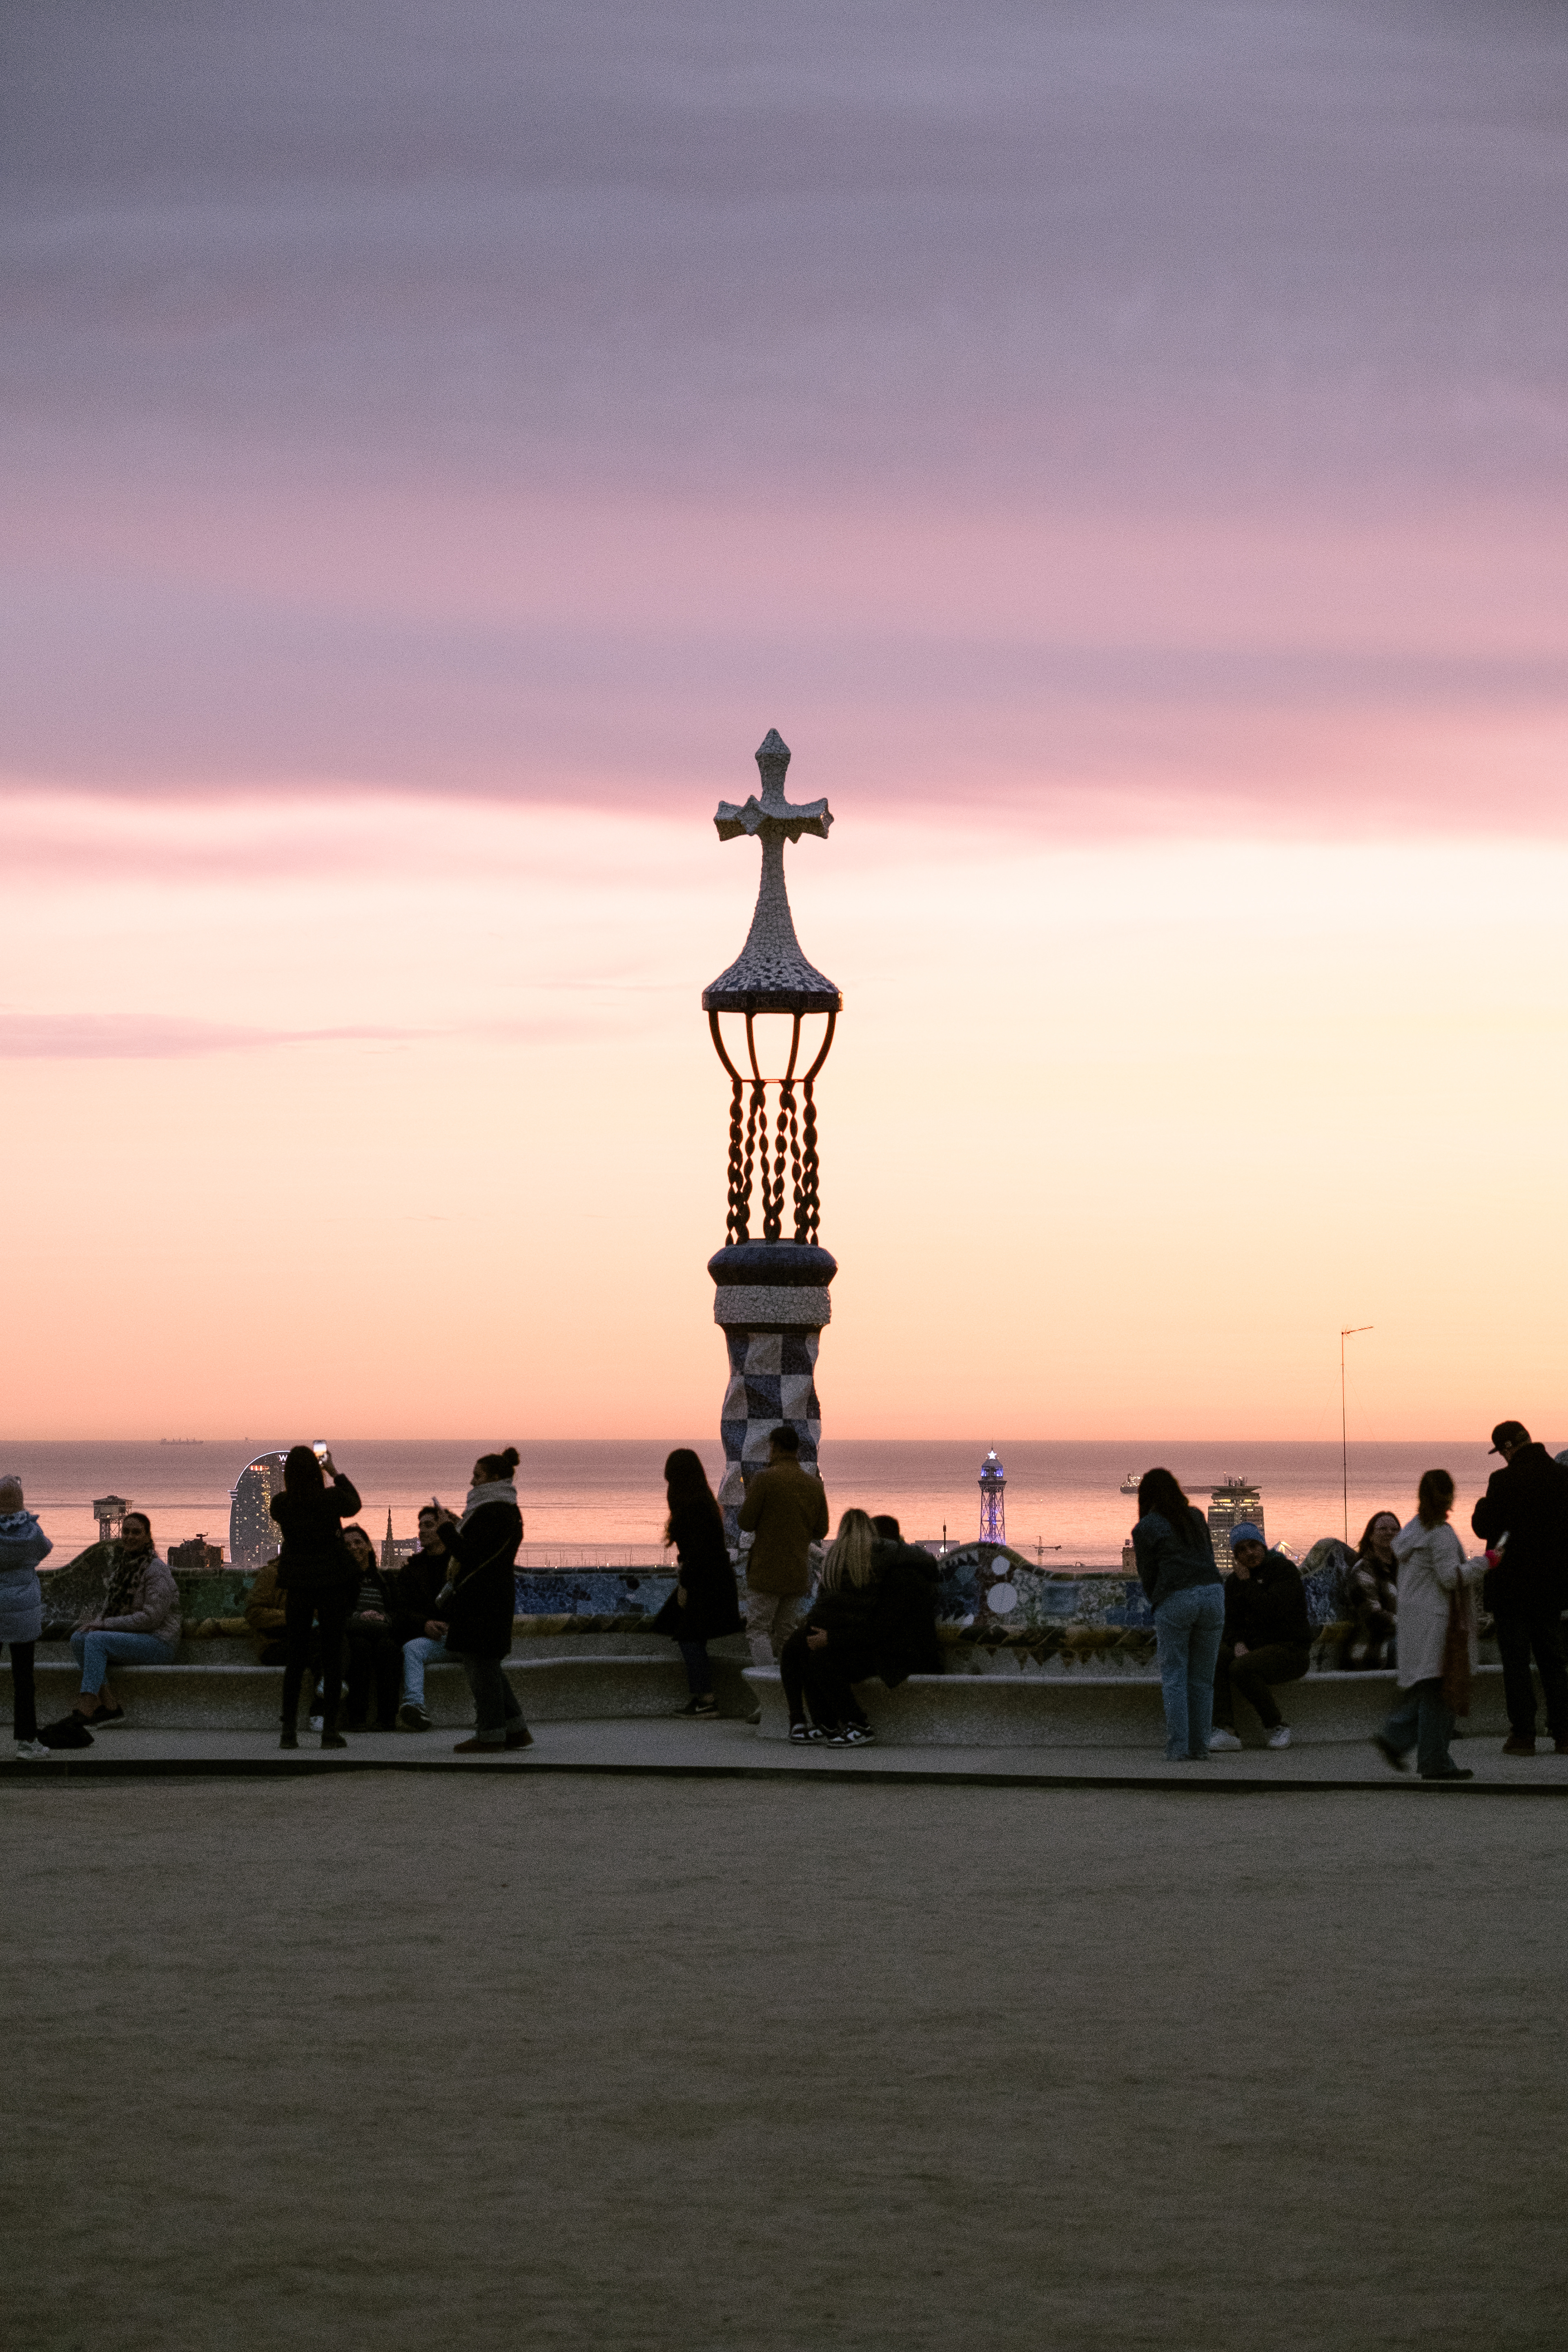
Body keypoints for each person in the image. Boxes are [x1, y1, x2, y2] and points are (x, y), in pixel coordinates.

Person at [1374, 1469, 1484, 1780]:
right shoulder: (1440, 1534)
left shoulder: (1412, 1531)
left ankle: (1396, 1738)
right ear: (1451, 1496)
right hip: (1439, 1623)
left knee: (1431, 1689)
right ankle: (1434, 1760)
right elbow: (1451, 1578)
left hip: (1415, 1622)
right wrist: (1486, 1562)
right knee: (1442, 1691)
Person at [1470, 1419, 1568, 1756]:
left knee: (1516, 1664)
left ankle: (1524, 1736)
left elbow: (1484, 1527)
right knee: (1554, 1662)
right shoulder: (1562, 1477)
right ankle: (1564, 1734)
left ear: (1509, 1447)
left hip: (1511, 1589)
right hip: (1552, 1588)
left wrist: (1483, 1507)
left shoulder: (1503, 1481)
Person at [45, 1512, 182, 1742]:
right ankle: (110, 1707)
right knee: (81, 1638)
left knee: (96, 1639)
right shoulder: (124, 1567)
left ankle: (86, 1708)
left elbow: (151, 1619)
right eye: (126, 1532)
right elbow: (111, 1609)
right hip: (134, 1639)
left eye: (136, 1532)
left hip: (159, 1642)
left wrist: (104, 1625)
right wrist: (97, 1624)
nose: (129, 1537)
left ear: (148, 1536)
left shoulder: (155, 1570)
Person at [430, 1447, 531, 1755]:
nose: (472, 1482)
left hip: (482, 1601)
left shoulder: (494, 1511)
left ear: (495, 1478)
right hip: (490, 1598)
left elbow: (471, 1555)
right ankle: (515, 1729)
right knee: (487, 1664)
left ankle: (490, 1733)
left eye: (478, 1476)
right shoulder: (499, 1510)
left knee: (480, 1666)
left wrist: (446, 1528)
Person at [270, 1446, 361, 1750]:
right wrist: (333, 1471)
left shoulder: (281, 1504)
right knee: (332, 1656)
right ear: (316, 1471)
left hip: (298, 1583)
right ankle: (330, 1732)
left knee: (296, 1659)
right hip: (331, 1582)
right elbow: (354, 1504)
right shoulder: (330, 1499)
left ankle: (288, 1732)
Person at [1131, 1468, 1224, 1763]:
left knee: (1175, 1677)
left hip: (1176, 1598)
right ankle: (1201, 1748)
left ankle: (1178, 1748)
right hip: (1213, 1594)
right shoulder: (1196, 1516)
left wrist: (1159, 1601)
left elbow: (1148, 1575)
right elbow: (1208, 1557)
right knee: (1203, 1680)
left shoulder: (1146, 1527)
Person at [651, 1449, 743, 1719]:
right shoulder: (702, 1501)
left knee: (689, 1635)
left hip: (706, 1582)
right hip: (712, 1579)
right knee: (687, 1632)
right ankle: (705, 1698)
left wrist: (685, 1586)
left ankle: (706, 1700)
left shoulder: (693, 1506)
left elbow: (697, 1553)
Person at [779, 1507, 882, 1743]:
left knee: (798, 1652)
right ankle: (825, 1723)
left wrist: (826, 1633)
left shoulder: (834, 1562)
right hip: (851, 1638)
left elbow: (829, 1606)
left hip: (844, 1638)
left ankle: (809, 1721)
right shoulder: (874, 1562)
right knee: (807, 1654)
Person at [1207, 1521, 1312, 1751]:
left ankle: (1276, 1726)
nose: (1249, 1553)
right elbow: (1230, 1621)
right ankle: (1226, 1730)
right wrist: (1237, 1643)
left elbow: (1272, 1609)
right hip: (1256, 1650)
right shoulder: (1234, 1583)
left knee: (1240, 1668)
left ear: (1263, 1546)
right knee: (1217, 1656)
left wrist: (1247, 1584)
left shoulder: (1283, 1571)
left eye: (1253, 1546)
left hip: (1290, 1650)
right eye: (1241, 1550)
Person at [737, 1425, 830, 1674]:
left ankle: (770, 1687)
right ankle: (788, 1687)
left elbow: (745, 1522)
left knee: (758, 1629)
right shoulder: (813, 1486)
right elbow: (821, 1531)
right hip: (798, 1570)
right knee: (787, 1630)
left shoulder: (765, 1480)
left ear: (775, 1447)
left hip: (766, 1570)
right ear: (797, 1450)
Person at [0, 1474, 52, 1761]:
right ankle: (27, 1741)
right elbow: (45, 1549)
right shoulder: (31, 1531)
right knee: (24, 1679)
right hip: (23, 1611)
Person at [244, 1551, 326, 1731]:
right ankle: (321, 1710)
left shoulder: (321, 1577)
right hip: (277, 1644)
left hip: (310, 1642)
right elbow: (254, 1612)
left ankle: (322, 1707)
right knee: (324, 1647)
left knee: (328, 1645)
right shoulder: (273, 1574)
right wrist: (295, 1618)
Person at [394, 1504, 454, 1732]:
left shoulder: (459, 1564)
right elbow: (401, 1610)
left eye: (429, 1525)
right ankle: (414, 1706)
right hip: (435, 1640)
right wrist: (424, 1624)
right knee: (413, 1648)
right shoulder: (411, 1570)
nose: (422, 1531)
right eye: (420, 1526)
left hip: (463, 1635)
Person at [868, 1516, 944, 1689]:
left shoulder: (895, 1578)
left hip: (901, 1663)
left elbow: (882, 1627)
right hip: (921, 1659)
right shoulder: (914, 1569)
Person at [340, 1523, 402, 1732]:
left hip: (383, 1632)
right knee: (360, 1647)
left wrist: (383, 1617)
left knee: (389, 1649)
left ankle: (387, 1718)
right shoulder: (340, 1582)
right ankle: (357, 1717)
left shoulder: (385, 1580)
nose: (354, 1548)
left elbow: (397, 1613)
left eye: (358, 1542)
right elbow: (339, 1616)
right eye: (347, 1545)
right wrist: (361, 1617)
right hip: (354, 1635)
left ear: (368, 1546)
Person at [1338, 1512, 1401, 1671]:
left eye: (1395, 1530)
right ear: (1371, 1536)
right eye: (1383, 1529)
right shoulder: (1363, 1570)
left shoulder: (1403, 1569)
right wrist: (1412, 1625)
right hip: (1372, 1648)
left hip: (1400, 1636)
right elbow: (1374, 1617)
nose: (1389, 1533)